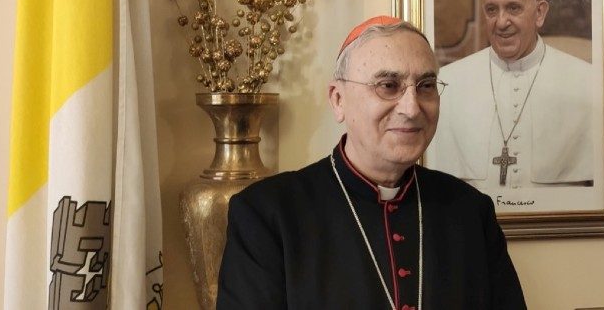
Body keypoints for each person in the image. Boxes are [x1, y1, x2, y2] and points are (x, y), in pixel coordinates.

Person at [217, 16, 526, 309]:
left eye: (426, 86)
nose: (412, 108)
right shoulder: (267, 214)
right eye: (388, 85)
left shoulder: (471, 211)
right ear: (338, 99)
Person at [428, 0, 594, 194]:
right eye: (491, 10)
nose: (501, 22)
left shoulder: (587, 81)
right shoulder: (448, 82)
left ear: (539, 13)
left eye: (513, 8)